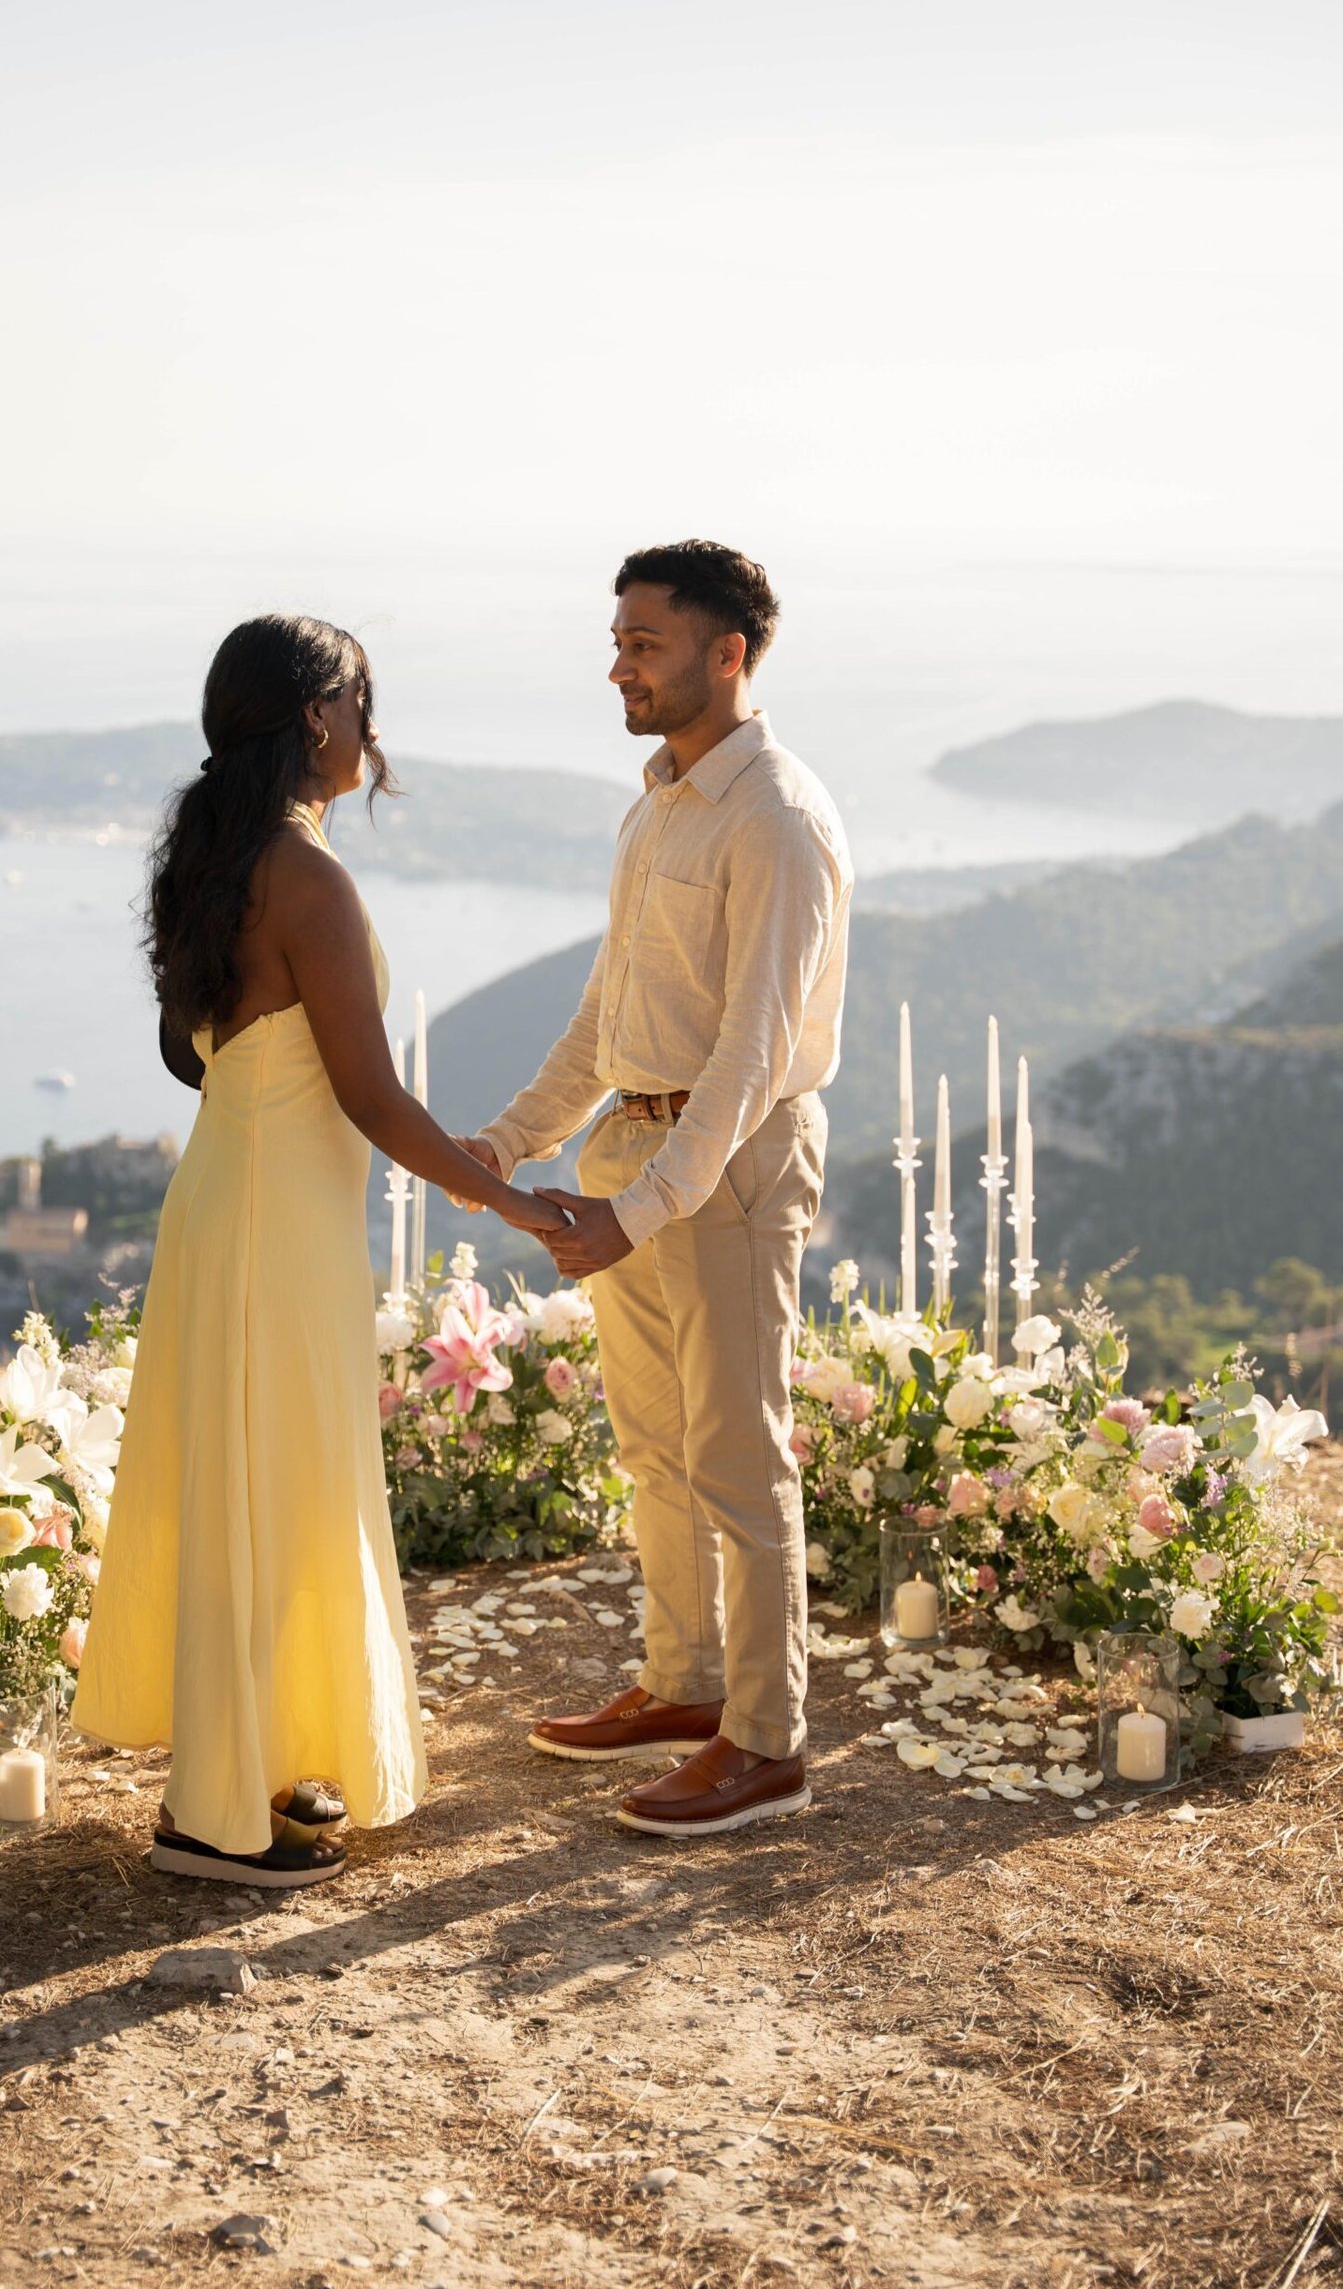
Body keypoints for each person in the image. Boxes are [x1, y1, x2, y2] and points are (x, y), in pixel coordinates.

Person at [71, 615, 563, 1888]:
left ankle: (265, 1770)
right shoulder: (307, 879)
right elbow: (372, 1096)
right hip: (274, 1223)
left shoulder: (218, 856)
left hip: (233, 1194)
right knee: (274, 1481)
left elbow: (201, 1052)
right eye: (362, 703)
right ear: (314, 719)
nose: (373, 731)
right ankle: (211, 1820)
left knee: (262, 1482)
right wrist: (510, 1201)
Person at [456, 541, 853, 1838]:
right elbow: (604, 1013)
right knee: (657, 1449)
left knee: (740, 1455)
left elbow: (747, 1059)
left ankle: (769, 1742)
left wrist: (631, 1213)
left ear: (727, 653)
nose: (617, 662)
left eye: (644, 642)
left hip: (728, 1167)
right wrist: (510, 1142)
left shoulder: (778, 819)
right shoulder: (657, 806)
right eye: (618, 638)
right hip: (631, 1144)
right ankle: (685, 1689)